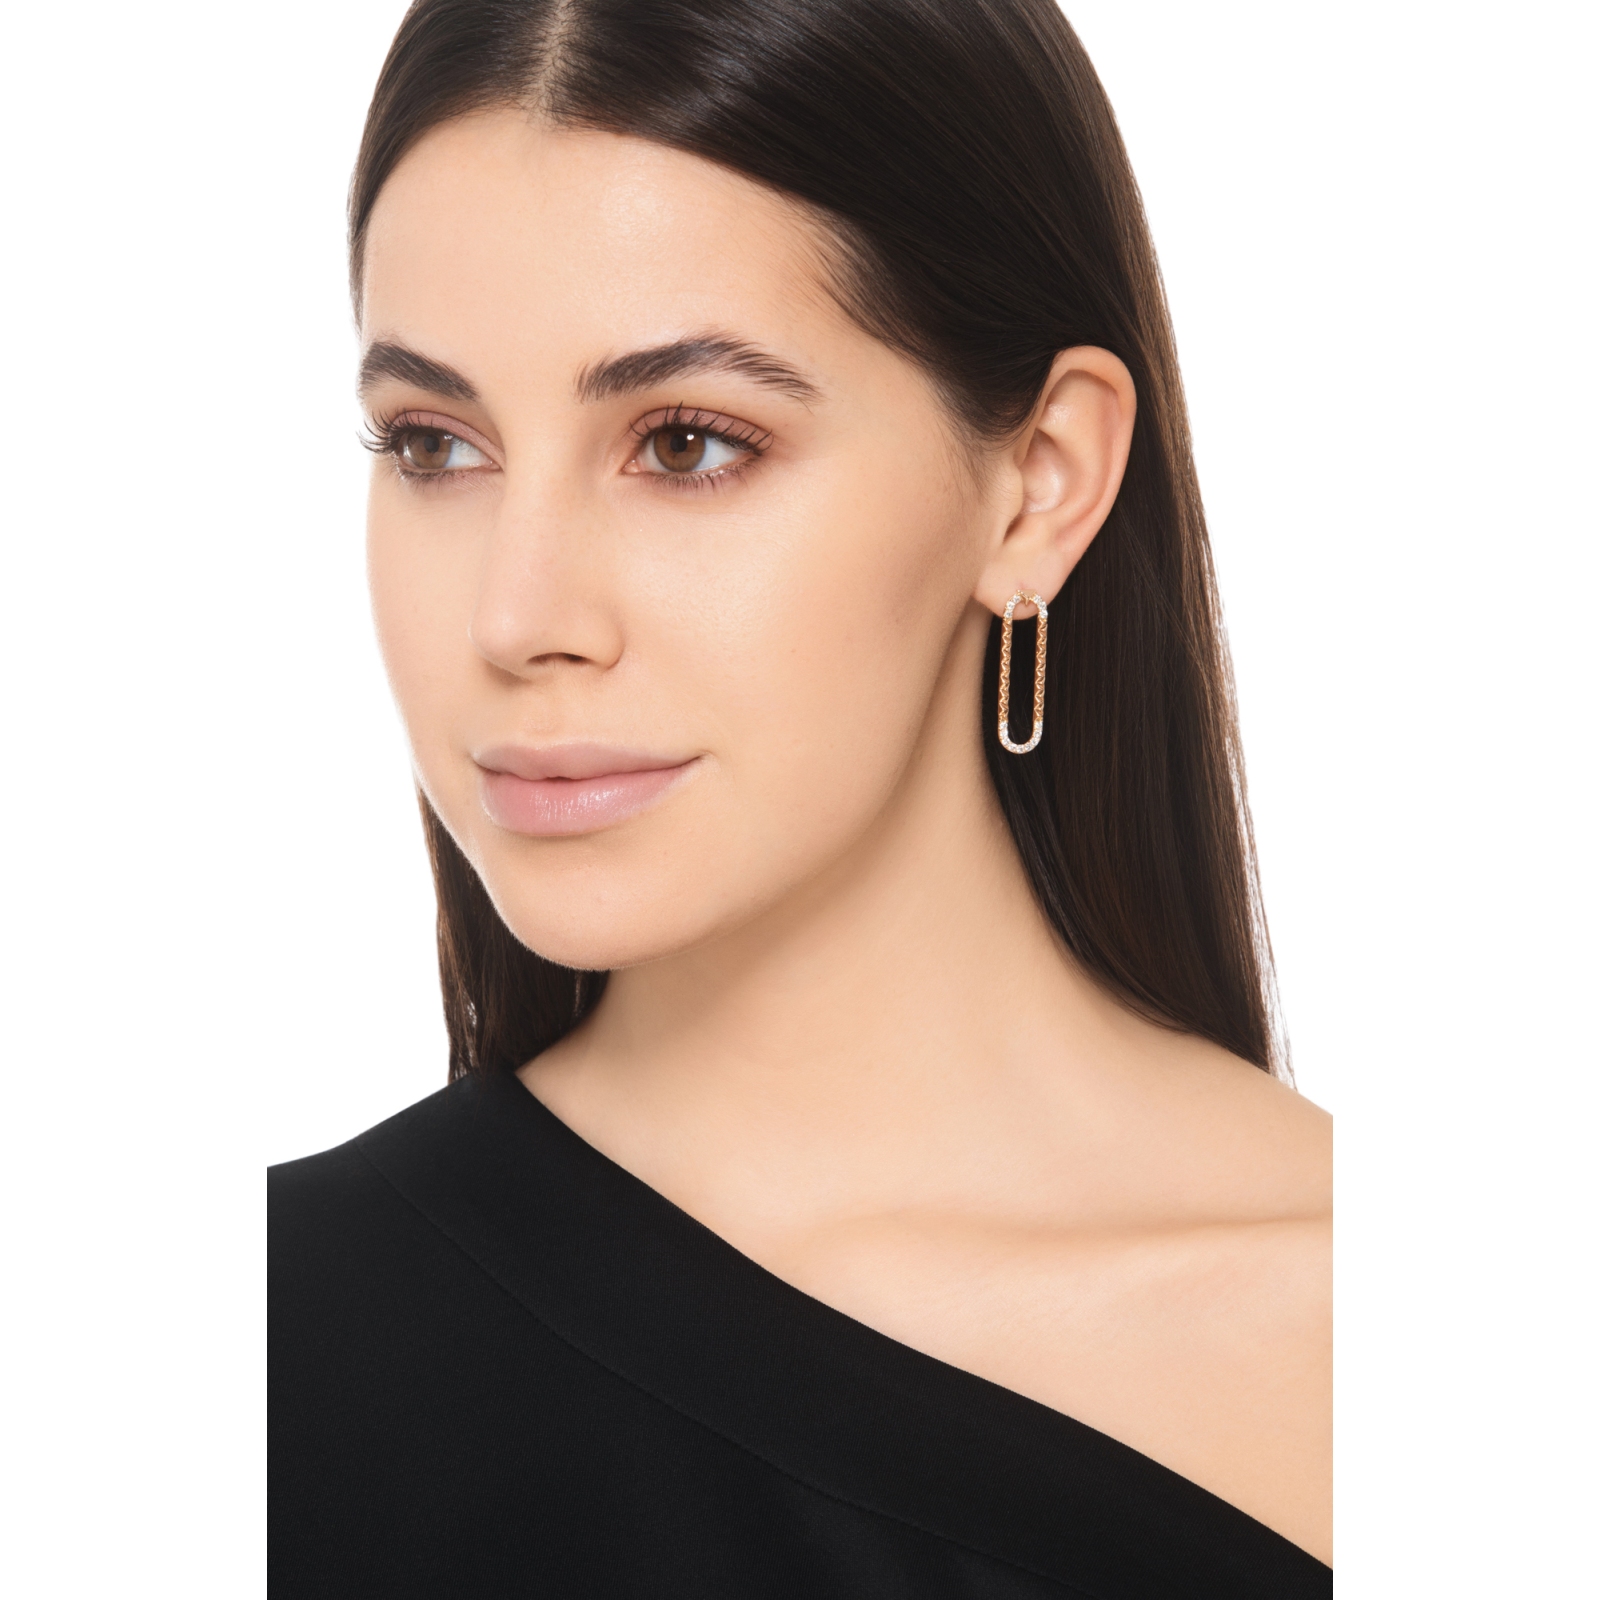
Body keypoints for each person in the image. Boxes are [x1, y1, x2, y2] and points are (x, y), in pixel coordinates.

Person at [268, 0, 1333, 1592]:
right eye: (434, 444)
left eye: (688, 444)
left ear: (1039, 482)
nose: (517, 614)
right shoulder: (234, 1366)